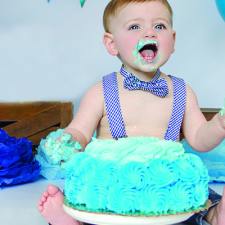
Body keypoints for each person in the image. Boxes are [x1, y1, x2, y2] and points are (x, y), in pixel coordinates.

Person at [38, 0, 225, 224]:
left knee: (194, 205)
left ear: (173, 41)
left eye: (160, 26)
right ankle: (72, 220)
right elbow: (80, 131)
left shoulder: (182, 91)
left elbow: (199, 139)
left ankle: (215, 216)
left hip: (163, 190)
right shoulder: (101, 91)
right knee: (96, 204)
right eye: (135, 27)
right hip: (114, 188)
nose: (150, 33)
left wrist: (218, 125)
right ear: (112, 43)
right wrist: (68, 141)